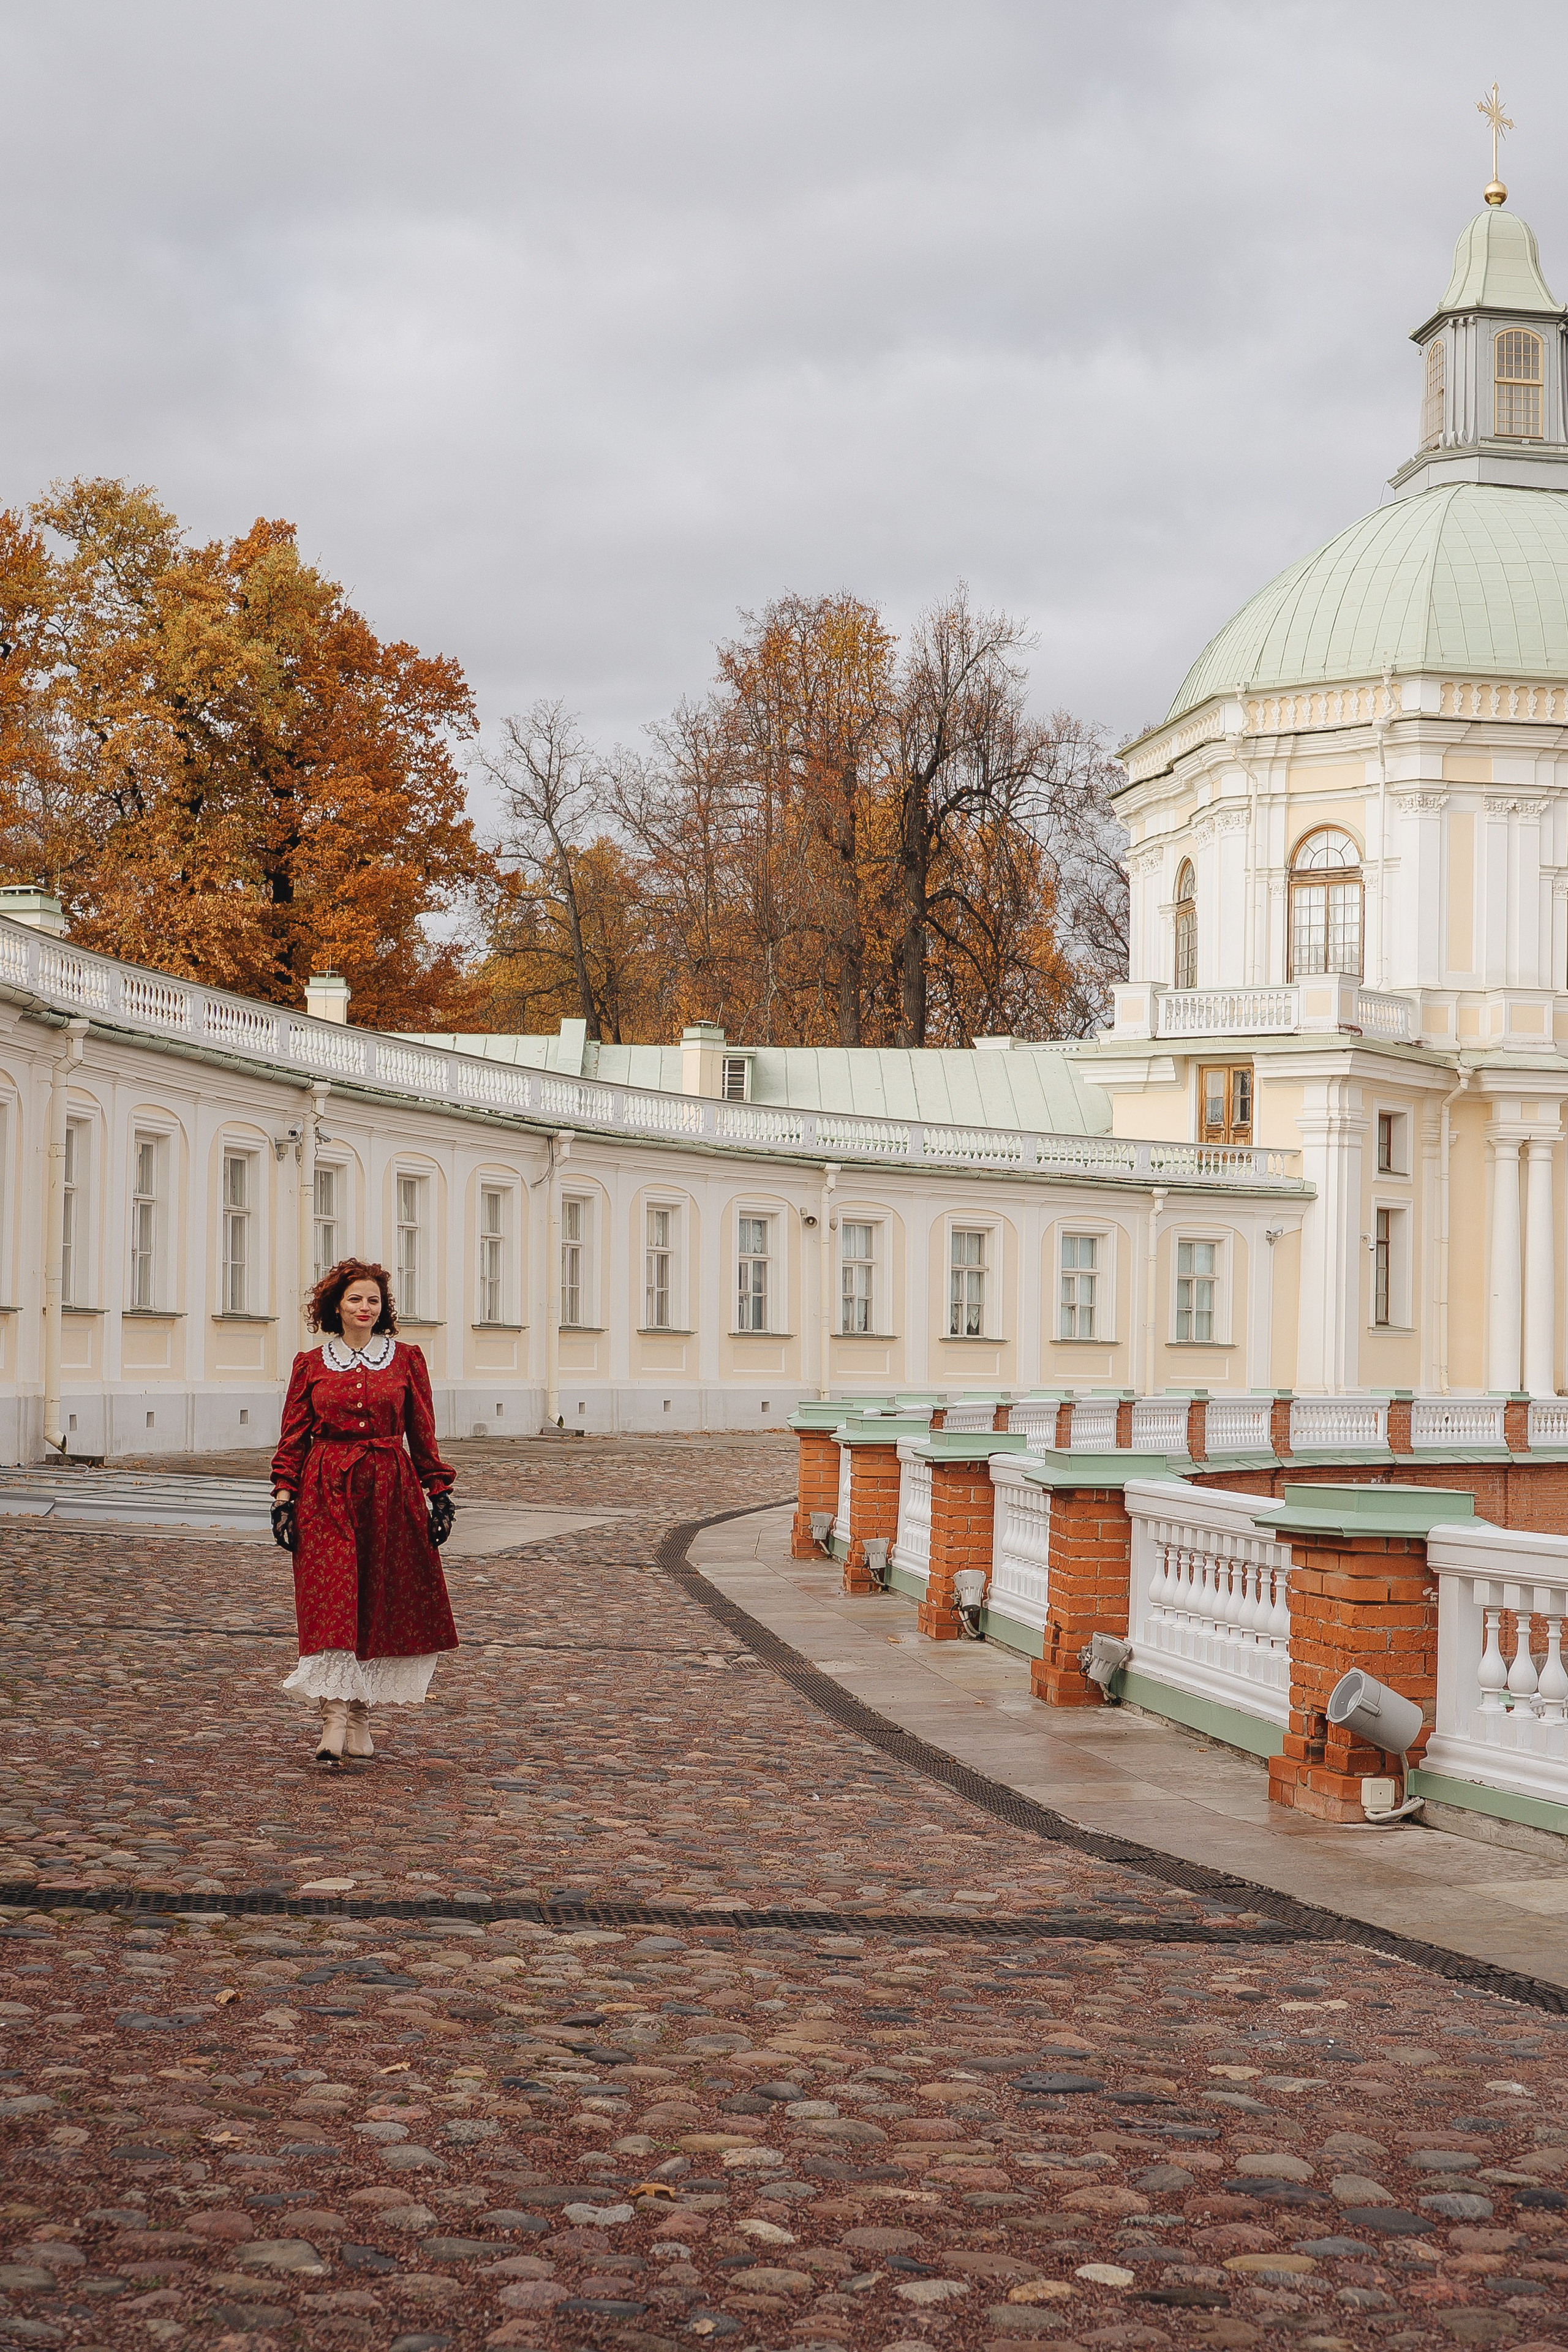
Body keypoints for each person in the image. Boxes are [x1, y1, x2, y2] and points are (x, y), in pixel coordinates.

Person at [270, 1257, 458, 1765]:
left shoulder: (406, 1360)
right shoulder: (311, 1364)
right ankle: (333, 1716)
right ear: (336, 1305)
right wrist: (283, 1499)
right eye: (355, 1298)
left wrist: (438, 1493)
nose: (365, 1307)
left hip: (390, 1490)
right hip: (325, 1489)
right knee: (331, 1599)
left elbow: (422, 1431)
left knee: (378, 1600)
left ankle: (359, 1715)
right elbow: (293, 1437)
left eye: (373, 1300)